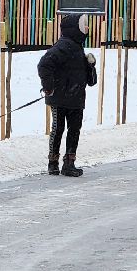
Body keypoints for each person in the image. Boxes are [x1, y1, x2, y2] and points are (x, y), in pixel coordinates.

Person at [38, 13, 98, 177]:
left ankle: (68, 163)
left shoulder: (78, 48)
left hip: (76, 98)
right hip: (60, 98)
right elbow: (44, 64)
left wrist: (91, 66)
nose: (87, 28)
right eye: (84, 25)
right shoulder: (63, 46)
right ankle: (53, 163)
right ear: (75, 28)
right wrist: (49, 87)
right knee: (59, 129)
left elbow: (91, 82)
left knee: (73, 130)